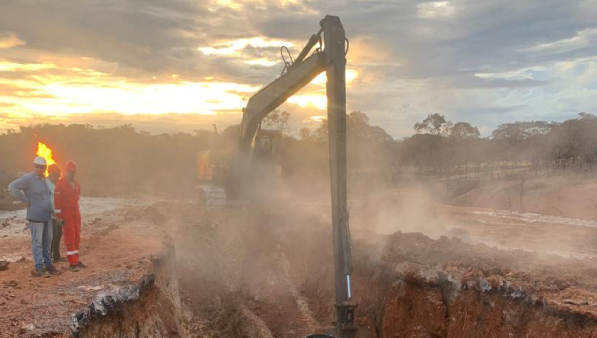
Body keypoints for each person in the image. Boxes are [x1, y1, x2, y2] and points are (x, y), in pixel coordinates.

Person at [8, 157, 61, 277]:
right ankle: (39, 268)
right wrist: (24, 200)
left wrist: (53, 211)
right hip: (35, 216)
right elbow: (12, 186)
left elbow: (48, 197)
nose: (38, 168)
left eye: (41, 167)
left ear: (45, 168)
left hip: (47, 215)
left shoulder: (44, 180)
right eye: (36, 166)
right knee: (37, 242)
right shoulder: (28, 179)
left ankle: (48, 265)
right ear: (34, 166)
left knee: (47, 242)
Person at [54, 160, 86, 271]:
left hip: (76, 213)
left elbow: (78, 198)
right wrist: (59, 217)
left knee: (77, 236)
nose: (72, 173)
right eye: (70, 171)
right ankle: (72, 262)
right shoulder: (60, 184)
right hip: (66, 214)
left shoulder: (76, 184)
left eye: (74, 172)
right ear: (66, 171)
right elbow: (57, 203)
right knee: (70, 236)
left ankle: (76, 259)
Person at [47, 164, 64, 263]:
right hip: (49, 214)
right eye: (56, 175)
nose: (57, 177)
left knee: (58, 233)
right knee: (51, 236)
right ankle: (48, 257)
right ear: (50, 174)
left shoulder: (57, 184)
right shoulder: (46, 184)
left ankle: (56, 256)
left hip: (58, 214)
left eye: (58, 175)